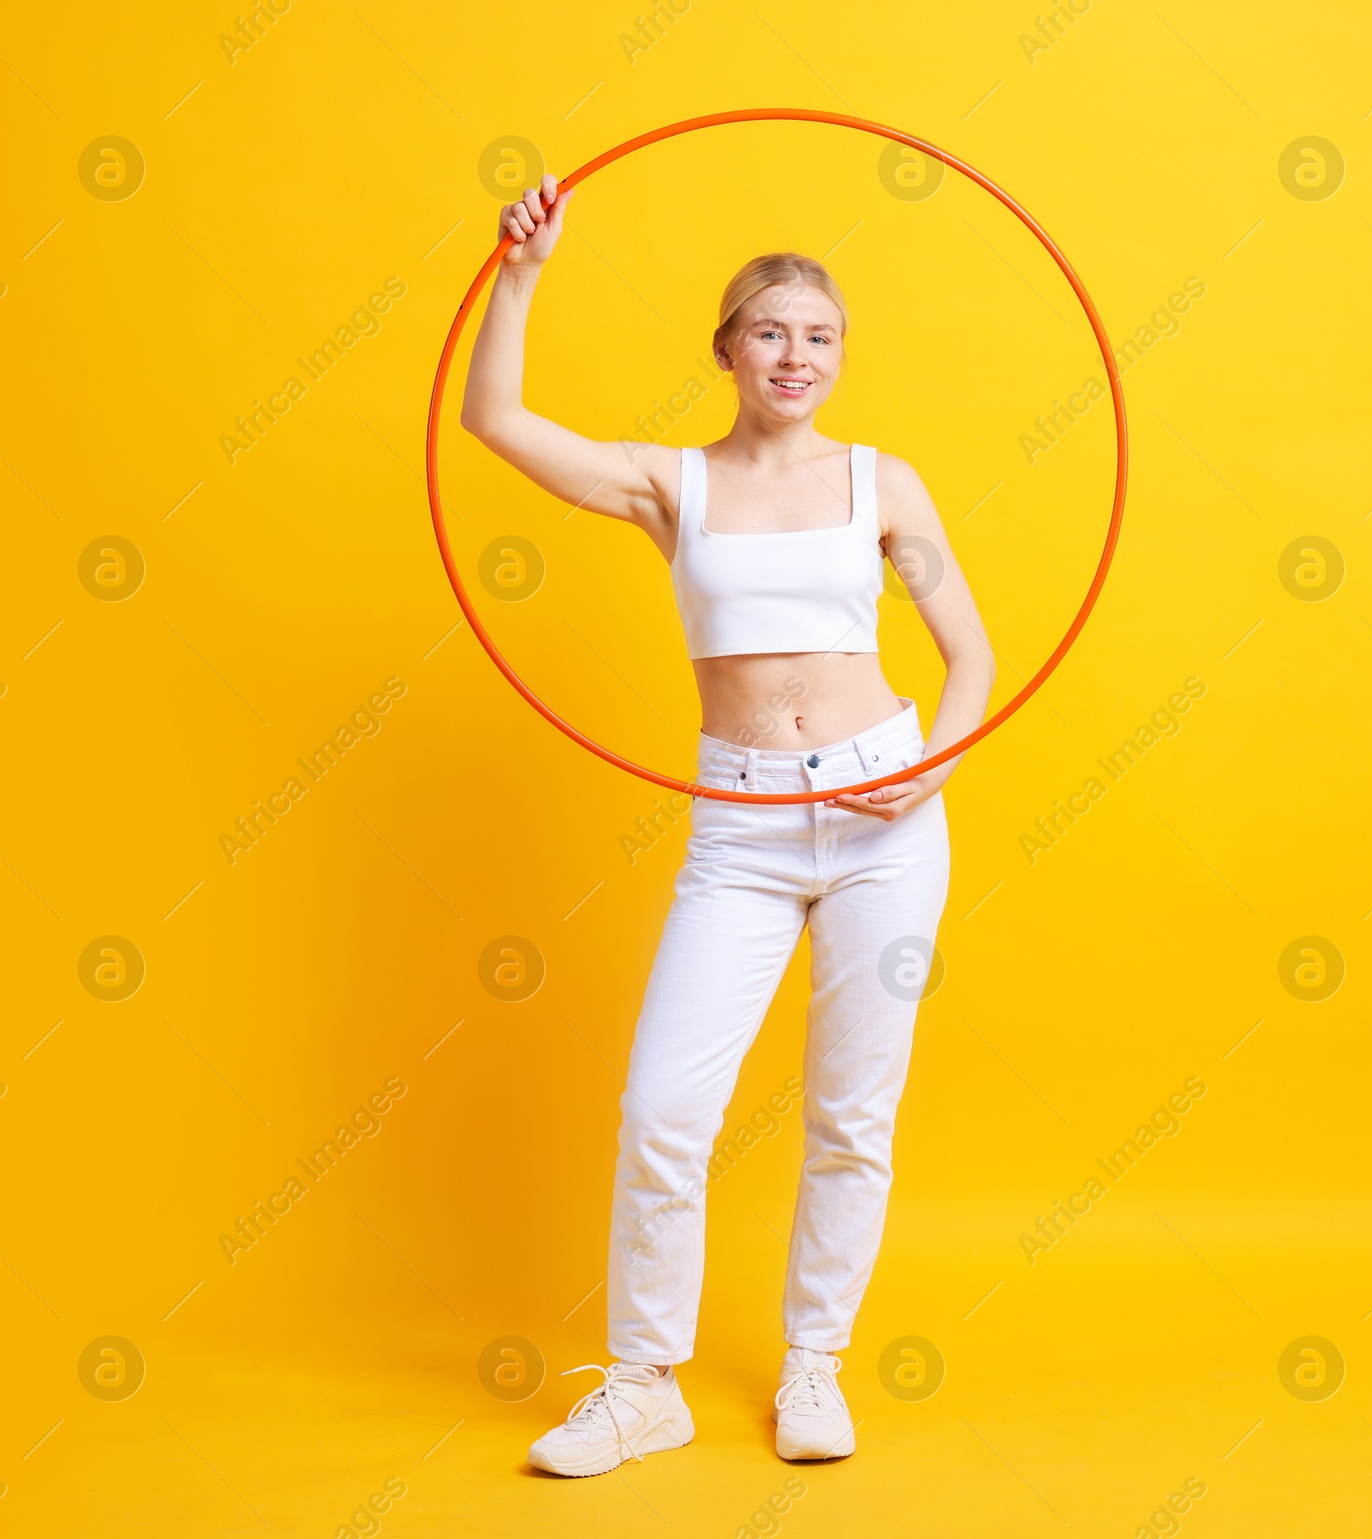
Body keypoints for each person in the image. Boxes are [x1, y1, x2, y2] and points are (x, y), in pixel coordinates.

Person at [460, 173, 995, 1476]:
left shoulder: (884, 483)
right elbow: (492, 419)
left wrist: (930, 765)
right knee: (661, 1110)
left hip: (882, 816)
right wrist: (522, 270)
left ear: (841, 355)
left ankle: (815, 1361)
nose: (796, 354)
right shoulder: (667, 485)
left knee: (850, 1114)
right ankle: (645, 1384)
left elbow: (970, 655)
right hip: (742, 831)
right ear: (726, 348)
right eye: (770, 330)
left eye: (819, 334)